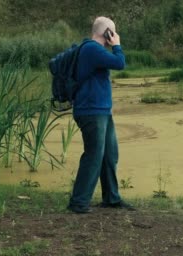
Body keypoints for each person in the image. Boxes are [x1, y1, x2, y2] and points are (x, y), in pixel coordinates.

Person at [67, 16, 135, 214]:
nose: (114, 36)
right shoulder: (92, 49)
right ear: (107, 33)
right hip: (91, 111)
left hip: (101, 110)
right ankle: (78, 202)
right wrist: (117, 45)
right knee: (94, 155)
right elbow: (120, 63)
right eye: (112, 32)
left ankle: (111, 198)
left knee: (109, 154)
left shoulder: (92, 50)